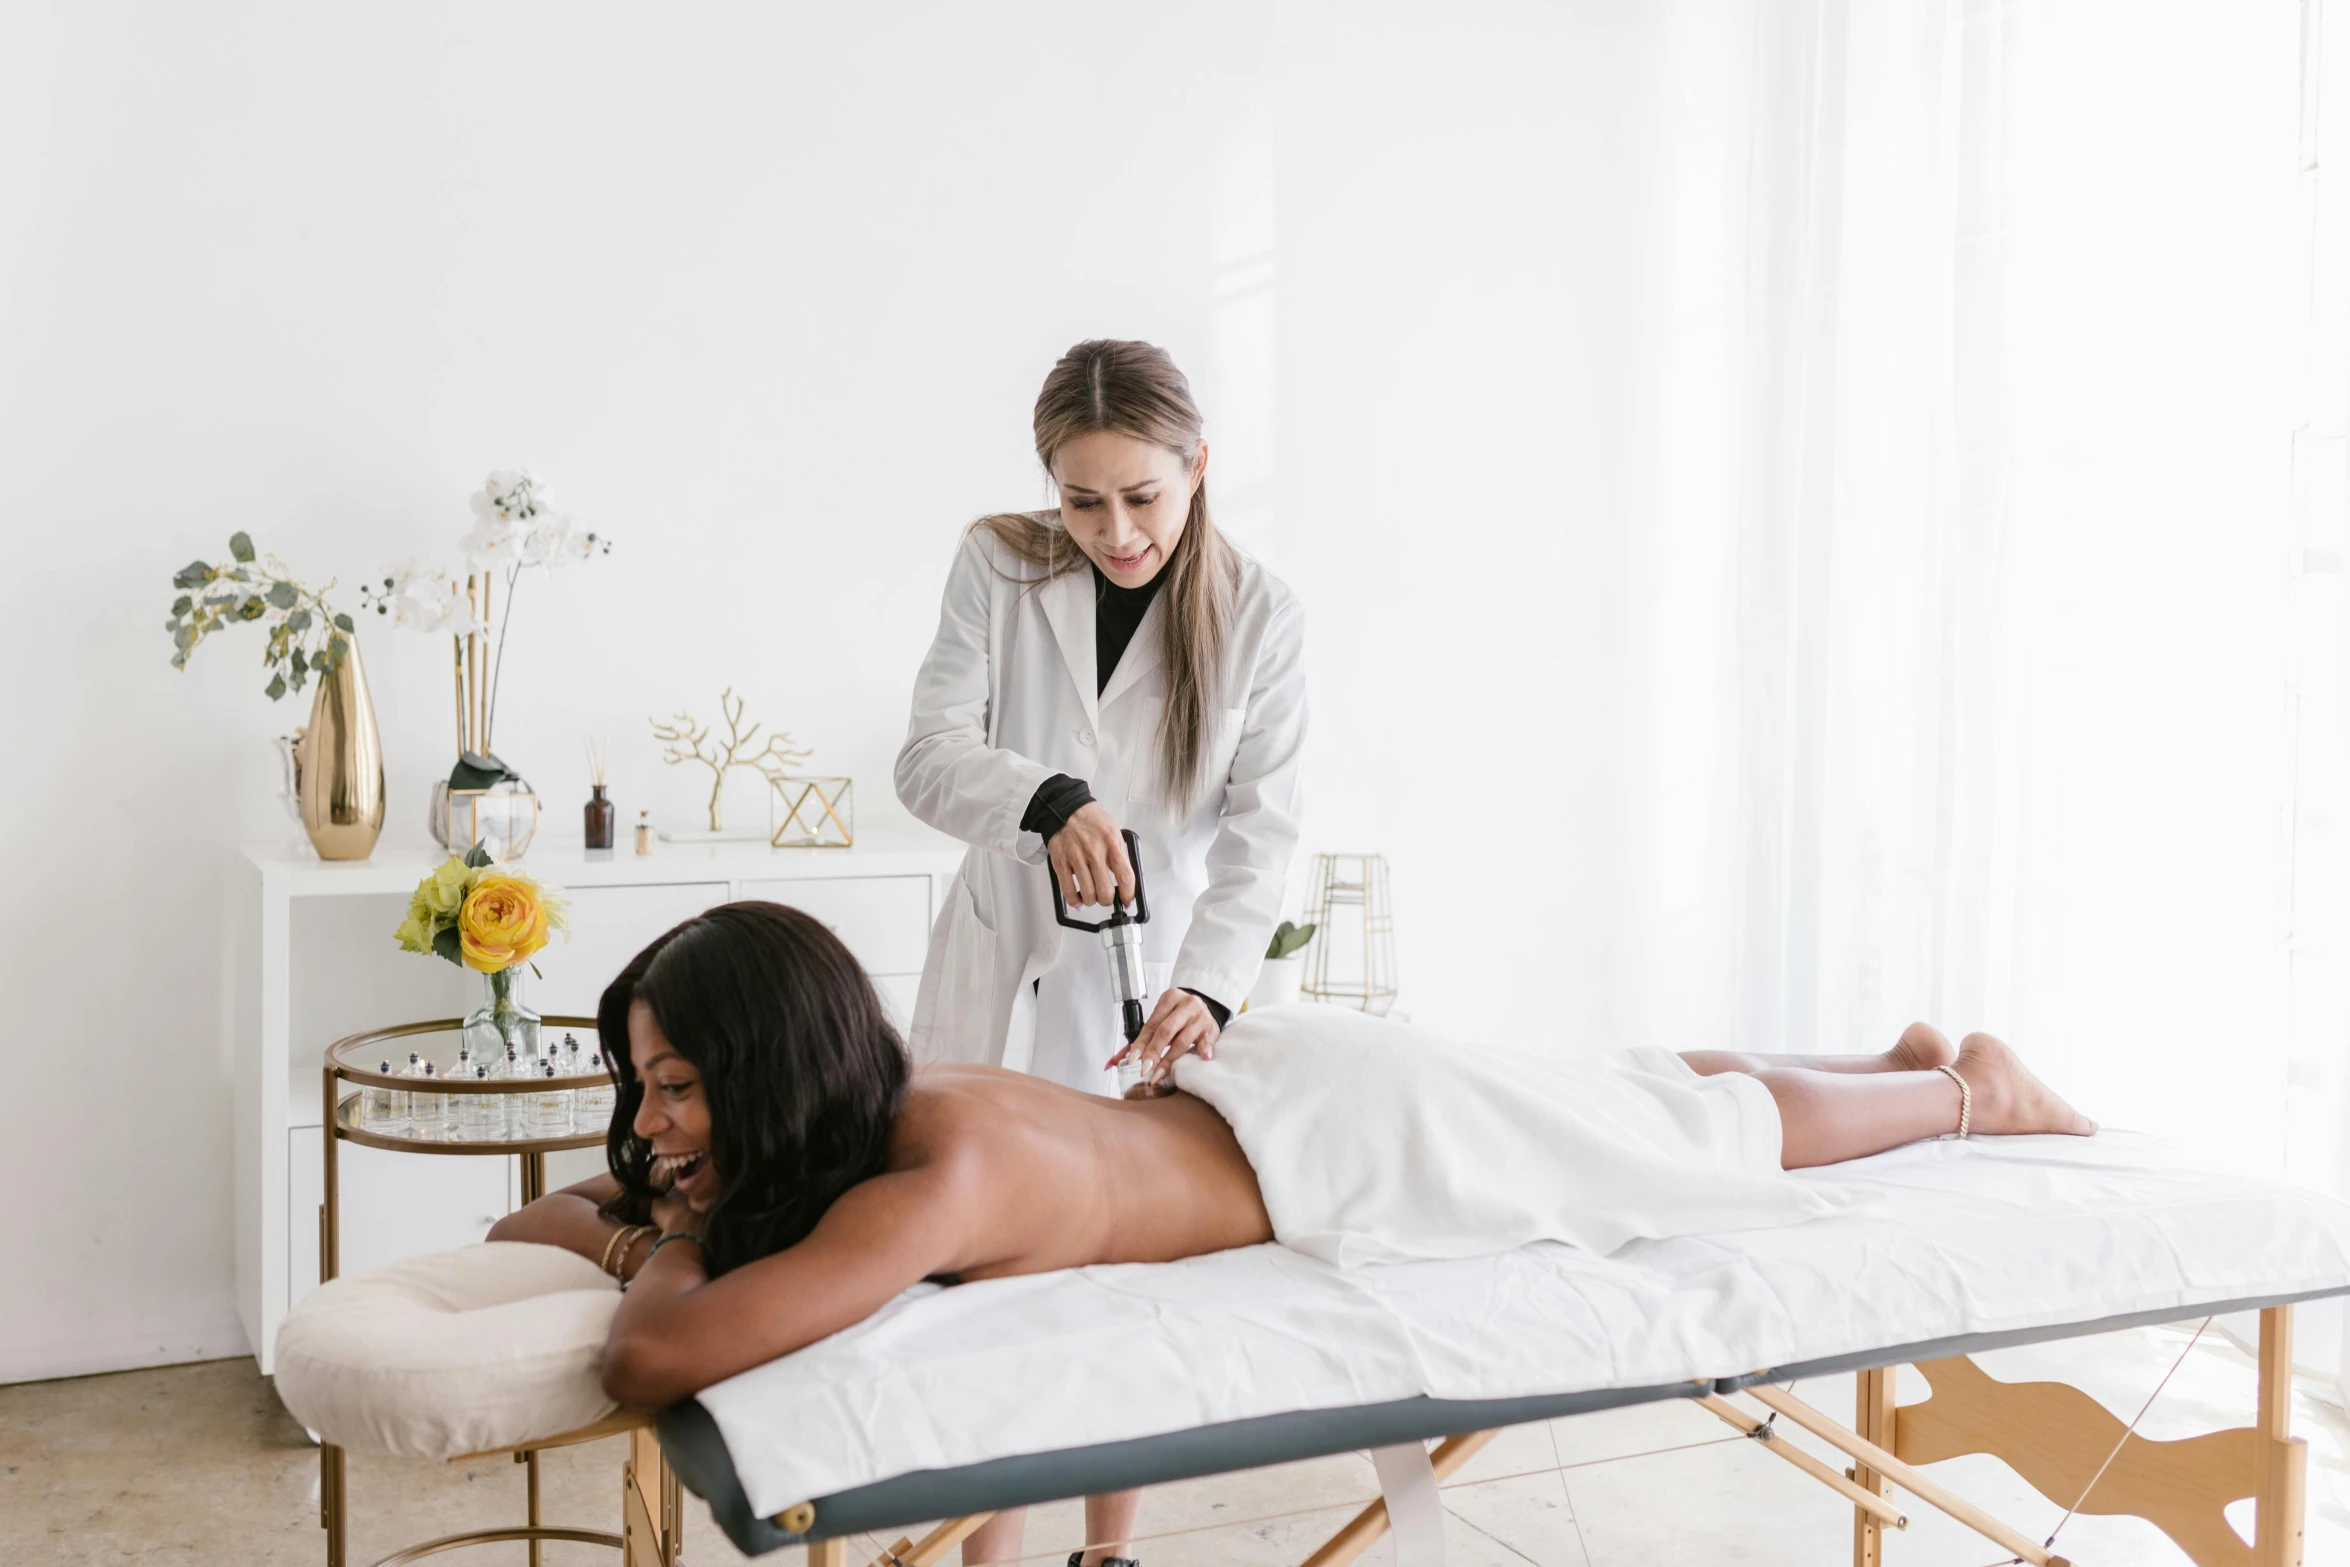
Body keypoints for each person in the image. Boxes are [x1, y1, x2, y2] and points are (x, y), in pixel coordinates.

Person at [491, 904, 2096, 1566]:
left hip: (1348, 1142)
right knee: (1617, 1092)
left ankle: (1962, 1093)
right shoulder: (861, 1113)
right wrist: (648, 1193)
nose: (661, 1123)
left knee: (1676, 1138)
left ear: (770, 1070)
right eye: (648, 1086)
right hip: (1274, 1098)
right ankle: (1885, 1058)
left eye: (684, 1084)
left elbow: (659, 1344)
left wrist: (650, 1239)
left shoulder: (927, 1181)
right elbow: (533, 1208)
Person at [895, 337, 1307, 1095]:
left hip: (1149, 986)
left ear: (1198, 466)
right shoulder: (996, 562)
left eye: (1142, 497)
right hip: (999, 969)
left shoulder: (1261, 615)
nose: (1116, 534)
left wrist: (1210, 985)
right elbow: (926, 759)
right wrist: (1046, 802)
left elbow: (1263, 832)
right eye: (1083, 501)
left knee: (1109, 1205)